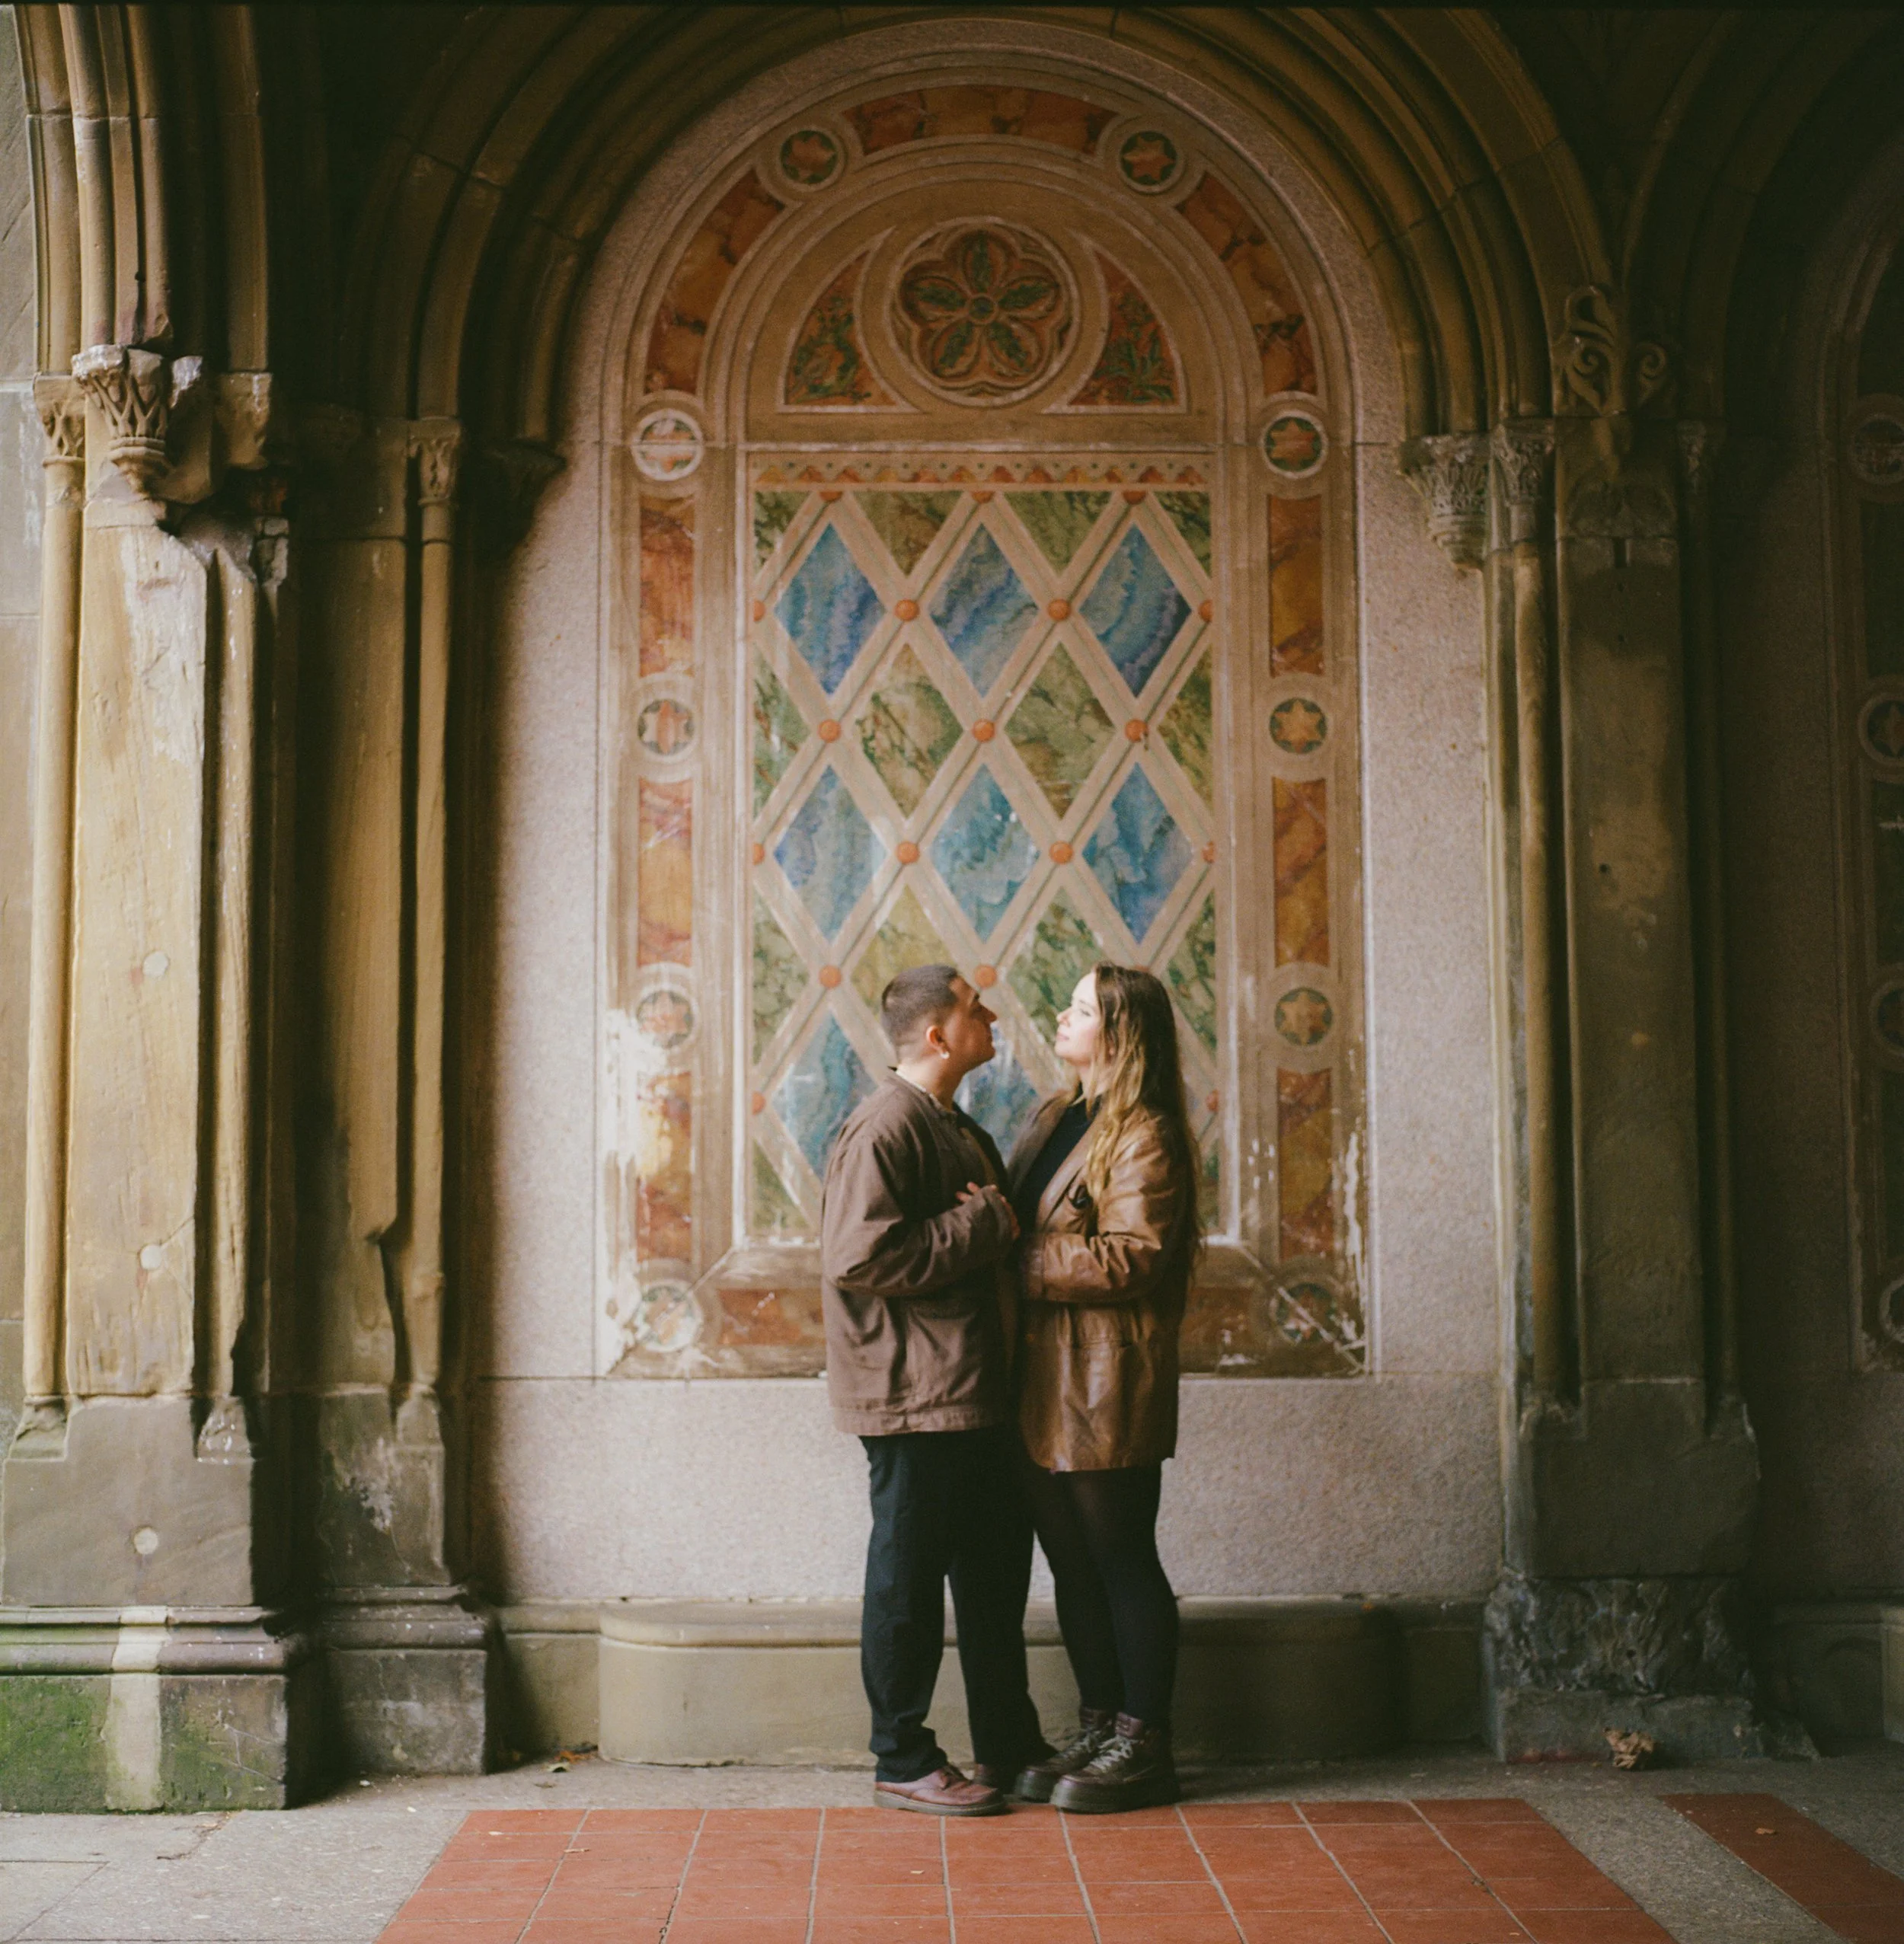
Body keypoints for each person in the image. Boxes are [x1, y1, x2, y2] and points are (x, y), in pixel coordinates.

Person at [819, 964, 1053, 1816]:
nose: (989, 1016)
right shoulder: (887, 1125)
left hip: (970, 1392)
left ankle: (1007, 1744)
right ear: (937, 1036)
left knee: (992, 1579)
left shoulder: (948, 1124)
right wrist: (982, 1221)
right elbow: (860, 1254)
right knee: (907, 1582)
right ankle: (902, 1759)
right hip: (915, 1398)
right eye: (973, 1008)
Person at [1005, 963, 1201, 1813]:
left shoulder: (1145, 1131)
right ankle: (1097, 1723)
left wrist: (1017, 1263)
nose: (1061, 1014)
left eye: (1079, 1008)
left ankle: (1144, 1740)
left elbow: (1135, 1255)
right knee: (1071, 1563)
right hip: (1040, 1373)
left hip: (1105, 1375)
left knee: (1120, 1558)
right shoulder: (1060, 1112)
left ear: (1118, 1038)